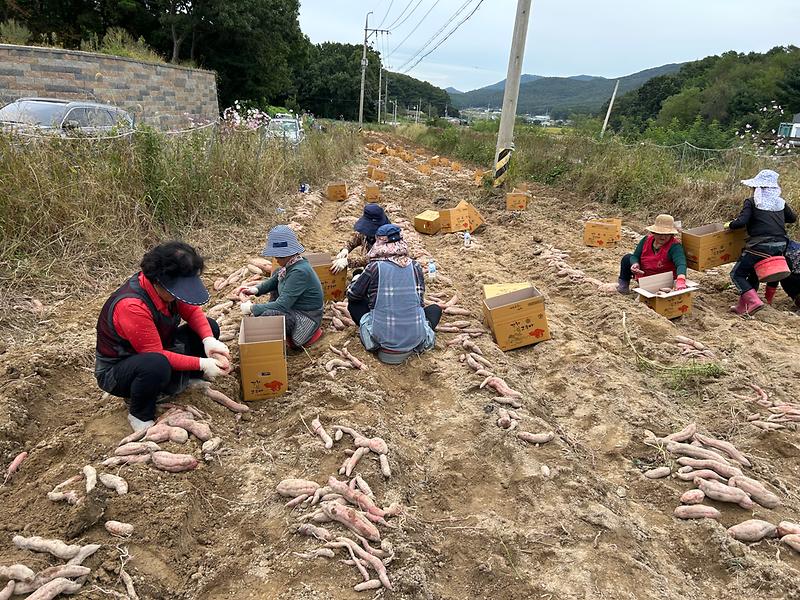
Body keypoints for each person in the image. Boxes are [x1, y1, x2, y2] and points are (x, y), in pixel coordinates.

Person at [95, 242, 231, 432]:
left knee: (209, 326)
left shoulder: (169, 292)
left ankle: (188, 379)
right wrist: (202, 363)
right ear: (158, 281)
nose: (181, 296)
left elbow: (192, 313)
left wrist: (209, 340)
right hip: (120, 369)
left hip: (158, 350)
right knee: (155, 364)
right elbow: (155, 353)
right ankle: (139, 415)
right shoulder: (132, 305)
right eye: (178, 291)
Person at [346, 224, 440, 364]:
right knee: (435, 309)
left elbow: (353, 295)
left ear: (379, 243)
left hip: (382, 340)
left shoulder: (374, 267)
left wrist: (356, 281)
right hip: (415, 339)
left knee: (354, 304)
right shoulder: (415, 266)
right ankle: (413, 338)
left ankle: (377, 340)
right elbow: (420, 301)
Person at [240, 225, 324, 348]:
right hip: (294, 308)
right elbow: (273, 281)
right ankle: (276, 328)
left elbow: (282, 305)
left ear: (289, 254)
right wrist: (255, 289)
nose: (276, 259)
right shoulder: (290, 265)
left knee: (268, 317)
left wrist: (252, 308)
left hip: (306, 317)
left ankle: (301, 335)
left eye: (279, 257)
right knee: (277, 274)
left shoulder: (299, 272)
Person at [727, 169, 797, 315]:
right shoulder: (780, 203)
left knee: (737, 274)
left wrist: (730, 224)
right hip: (781, 246)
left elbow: (741, 222)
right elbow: (792, 218)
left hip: (760, 245)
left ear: (757, 188)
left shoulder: (752, 202)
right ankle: (745, 305)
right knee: (752, 272)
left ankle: (753, 301)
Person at [617, 214, 688, 294]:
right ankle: (623, 287)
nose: (663, 237)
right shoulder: (646, 240)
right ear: (654, 232)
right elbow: (635, 256)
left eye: (666, 234)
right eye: (659, 234)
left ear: (671, 234)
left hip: (663, 280)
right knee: (627, 258)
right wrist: (635, 263)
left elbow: (681, 264)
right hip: (645, 276)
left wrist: (681, 279)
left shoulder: (675, 246)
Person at [331, 203, 390, 274]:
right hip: (369, 269)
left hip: (382, 274)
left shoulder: (388, 239)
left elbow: (372, 258)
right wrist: (346, 249)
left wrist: (348, 262)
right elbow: (357, 238)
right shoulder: (366, 232)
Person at [765, 239, 800, 309]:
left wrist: (767, 300)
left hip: (796, 280)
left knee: (781, 273)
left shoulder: (780, 251)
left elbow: (775, 277)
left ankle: (797, 296)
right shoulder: (791, 244)